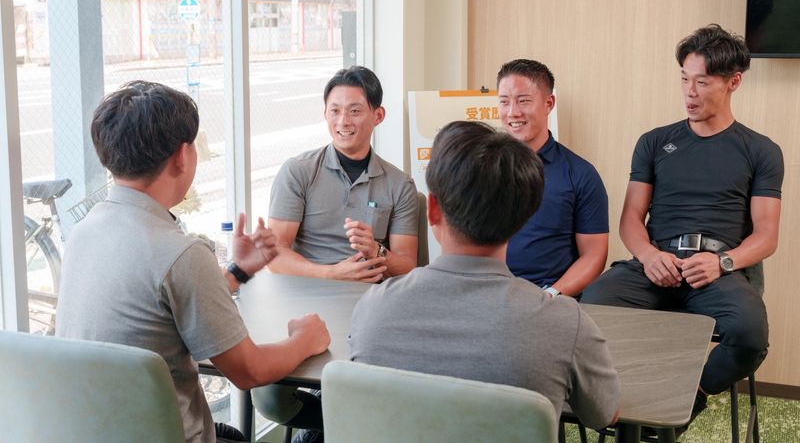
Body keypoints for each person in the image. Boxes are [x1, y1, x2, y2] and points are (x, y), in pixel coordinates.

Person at [56, 81, 331, 443]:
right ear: (182, 156)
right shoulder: (181, 252)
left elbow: (160, 299)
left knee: (231, 434)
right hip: (164, 435)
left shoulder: (84, 232)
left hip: (97, 432)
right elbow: (249, 372)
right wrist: (303, 339)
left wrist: (237, 272)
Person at [349, 120, 620, 429]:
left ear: (433, 209)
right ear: (523, 216)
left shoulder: (374, 308)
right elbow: (606, 415)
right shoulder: (564, 324)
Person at [582, 24, 783, 432]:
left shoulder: (760, 150)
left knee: (749, 334)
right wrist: (648, 255)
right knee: (592, 308)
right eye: (684, 79)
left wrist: (722, 263)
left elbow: (766, 236)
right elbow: (631, 218)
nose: (690, 92)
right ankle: (624, 402)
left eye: (702, 82)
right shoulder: (654, 142)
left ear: (733, 82)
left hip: (715, 271)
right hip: (657, 262)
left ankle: (686, 402)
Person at [267, 65, 419, 282]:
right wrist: (332, 274)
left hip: (374, 294)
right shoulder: (297, 171)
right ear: (325, 113)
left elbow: (407, 266)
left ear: (378, 115)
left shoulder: (400, 184)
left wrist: (376, 250)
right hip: (309, 291)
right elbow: (274, 253)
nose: (343, 121)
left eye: (355, 111)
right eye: (335, 111)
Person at [497, 59, 609, 297]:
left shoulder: (580, 174)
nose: (512, 112)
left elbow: (594, 255)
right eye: (504, 102)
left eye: (523, 101)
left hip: (548, 297)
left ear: (549, 103)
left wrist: (551, 295)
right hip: (487, 293)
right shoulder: (480, 168)